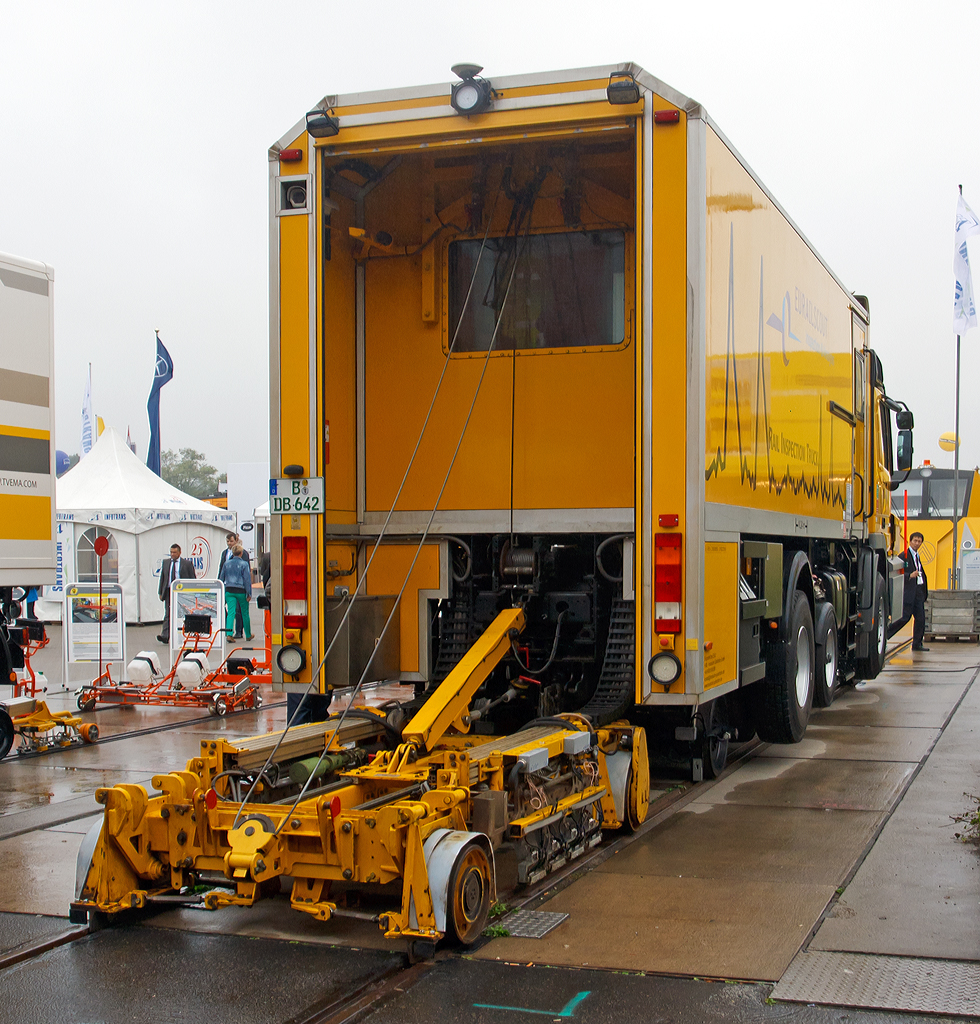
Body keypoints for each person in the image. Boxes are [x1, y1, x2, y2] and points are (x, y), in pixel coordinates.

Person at [888, 531, 929, 651]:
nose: (917, 543)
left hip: (918, 591)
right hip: (909, 592)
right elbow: (896, 572)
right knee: (904, 617)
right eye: (915, 541)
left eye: (919, 541)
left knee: (920, 618)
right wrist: (909, 575)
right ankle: (886, 634)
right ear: (910, 541)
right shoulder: (904, 555)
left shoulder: (917, 556)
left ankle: (917, 643)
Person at [157, 544, 197, 643]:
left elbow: (192, 578)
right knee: (168, 614)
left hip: (182, 592)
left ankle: (186, 634)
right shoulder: (166, 563)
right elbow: (163, 577)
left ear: (179, 552)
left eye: (174, 552)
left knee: (183, 613)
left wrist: (192, 592)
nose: (172, 554)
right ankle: (165, 635)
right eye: (171, 552)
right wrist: (160, 592)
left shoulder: (187, 564)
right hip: (169, 591)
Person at [219, 532, 251, 639]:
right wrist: (249, 592)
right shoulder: (244, 564)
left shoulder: (227, 563)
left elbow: (221, 576)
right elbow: (247, 579)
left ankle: (229, 633)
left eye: (231, 541)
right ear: (240, 553)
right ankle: (248, 634)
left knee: (231, 612)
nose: (229, 543)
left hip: (229, 589)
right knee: (244, 612)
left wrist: (220, 585)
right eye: (227, 541)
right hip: (240, 590)